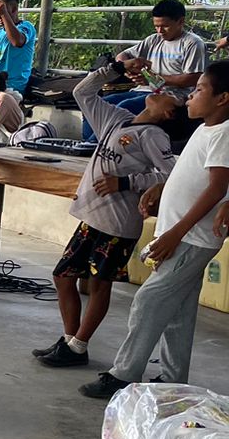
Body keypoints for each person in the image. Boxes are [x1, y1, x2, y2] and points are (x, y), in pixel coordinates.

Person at [81, 62, 229, 398]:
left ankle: (123, 374)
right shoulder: (207, 129)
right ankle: (174, 379)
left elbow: (216, 188)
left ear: (222, 98)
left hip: (191, 238)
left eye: (200, 90)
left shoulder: (224, 133)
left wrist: (176, 233)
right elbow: (192, 175)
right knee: (178, 310)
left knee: (148, 301)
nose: (190, 96)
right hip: (182, 234)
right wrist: (161, 188)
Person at [34, 67, 181, 369]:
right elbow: (82, 92)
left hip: (117, 223)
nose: (162, 91)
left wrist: (126, 182)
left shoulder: (154, 136)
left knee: (99, 284)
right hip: (92, 217)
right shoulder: (117, 118)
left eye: (171, 97)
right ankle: (69, 340)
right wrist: (114, 68)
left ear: (169, 114)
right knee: (63, 276)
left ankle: (79, 345)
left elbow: (172, 175)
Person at [84, 0, 210, 139]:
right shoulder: (153, 40)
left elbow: (193, 78)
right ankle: (86, 142)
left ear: (181, 21)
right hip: (142, 91)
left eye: (165, 26)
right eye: (156, 26)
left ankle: (95, 144)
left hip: (170, 96)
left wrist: (152, 78)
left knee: (124, 107)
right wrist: (129, 68)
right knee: (98, 103)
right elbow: (123, 55)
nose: (160, 31)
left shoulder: (193, 43)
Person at [0, 0, 35, 134]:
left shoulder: (26, 27)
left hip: (12, 91)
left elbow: (17, 41)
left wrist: (4, 14)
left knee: (3, 99)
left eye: (2, 10)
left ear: (14, 9)